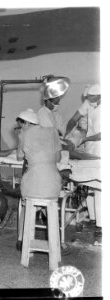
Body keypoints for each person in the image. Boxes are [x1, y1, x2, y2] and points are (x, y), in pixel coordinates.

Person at [64, 83, 101, 238]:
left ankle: (101, 225)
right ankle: (93, 220)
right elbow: (73, 119)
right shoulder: (88, 103)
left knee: (99, 185)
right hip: (90, 147)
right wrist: (67, 134)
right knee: (89, 185)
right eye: (87, 98)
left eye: (91, 98)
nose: (88, 100)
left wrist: (84, 139)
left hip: (101, 147)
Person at [17, 109, 62, 200]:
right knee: (49, 206)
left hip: (33, 187)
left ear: (27, 123)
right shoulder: (53, 131)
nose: (21, 129)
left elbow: (19, 157)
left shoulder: (23, 135)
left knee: (27, 207)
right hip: (54, 186)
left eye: (22, 126)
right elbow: (58, 158)